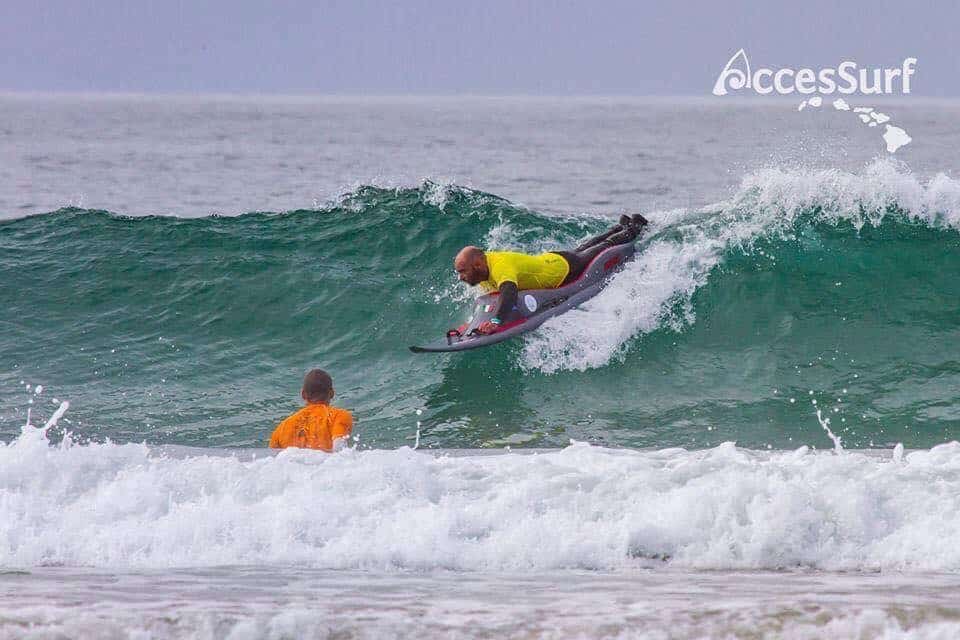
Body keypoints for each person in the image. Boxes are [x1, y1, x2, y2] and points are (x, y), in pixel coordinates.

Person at [453, 214, 648, 334]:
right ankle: (618, 226)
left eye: (463, 271)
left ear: (478, 265)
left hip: (562, 269)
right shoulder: (482, 269)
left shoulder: (500, 266)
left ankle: (634, 227)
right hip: (549, 260)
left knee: (601, 248)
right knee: (586, 247)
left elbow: (509, 293)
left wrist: (496, 322)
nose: (461, 277)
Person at [269, 369, 353, 451]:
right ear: (332, 393)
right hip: (325, 464)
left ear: (303, 394)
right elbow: (339, 450)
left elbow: (272, 460)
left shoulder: (281, 428)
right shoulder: (339, 416)